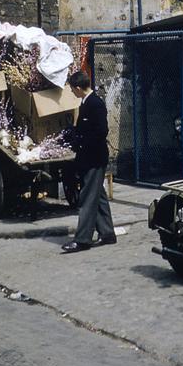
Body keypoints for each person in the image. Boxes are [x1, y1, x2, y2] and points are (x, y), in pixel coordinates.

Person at [61, 70, 116, 253]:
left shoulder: (95, 103)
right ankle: (107, 233)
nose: (72, 93)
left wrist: (80, 143)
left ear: (78, 88)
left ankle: (83, 239)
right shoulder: (86, 103)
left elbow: (101, 131)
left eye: (72, 89)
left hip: (94, 158)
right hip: (90, 157)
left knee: (87, 199)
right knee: (97, 196)